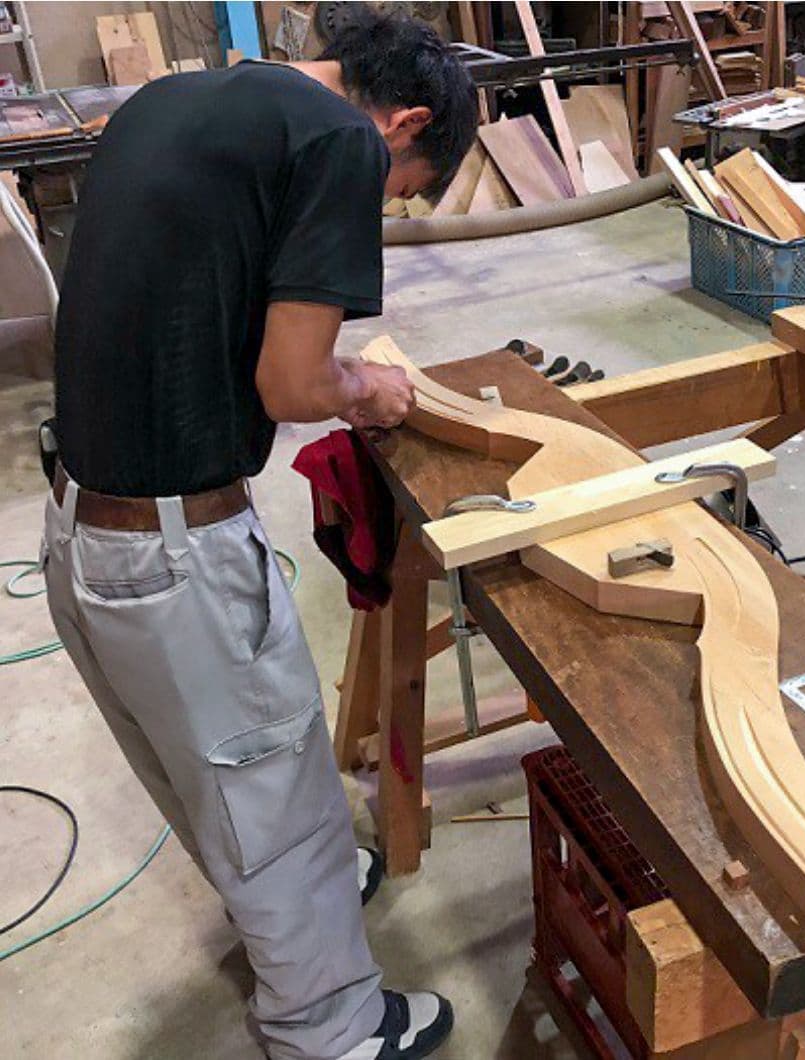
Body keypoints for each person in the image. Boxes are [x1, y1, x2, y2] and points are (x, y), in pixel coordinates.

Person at [42, 9, 476, 1060]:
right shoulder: (337, 139)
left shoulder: (167, 101)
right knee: (268, 789)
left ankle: (297, 911)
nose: (380, 201)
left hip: (79, 527)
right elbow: (293, 384)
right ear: (405, 122)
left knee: (219, 782)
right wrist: (365, 386)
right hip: (172, 555)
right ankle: (329, 1029)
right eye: (400, 189)